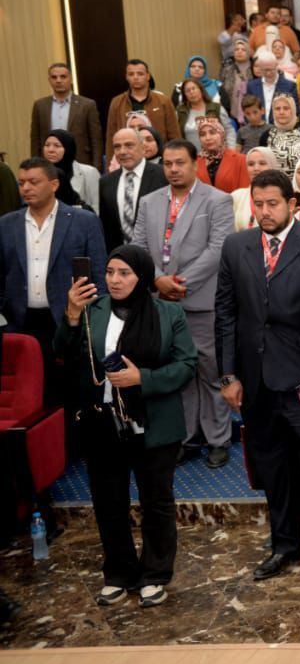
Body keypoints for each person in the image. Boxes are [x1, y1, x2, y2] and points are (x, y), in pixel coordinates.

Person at [215, 169, 300, 581]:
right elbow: (225, 313)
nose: (265, 211)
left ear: (291, 204)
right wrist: (227, 375)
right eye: (258, 204)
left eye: (273, 203)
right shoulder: (236, 246)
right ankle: (285, 546)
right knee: (272, 469)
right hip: (255, 382)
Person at [56, 245, 197, 608]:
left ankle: (155, 574)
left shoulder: (169, 313)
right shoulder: (92, 310)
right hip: (103, 422)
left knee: (157, 501)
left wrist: (142, 378)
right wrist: (71, 315)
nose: (114, 280)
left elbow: (187, 366)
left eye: (124, 273)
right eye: (110, 273)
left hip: (155, 423)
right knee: (108, 502)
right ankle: (119, 573)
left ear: (142, 277)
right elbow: (64, 354)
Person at [133, 139, 235, 468]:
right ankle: (189, 437)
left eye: (180, 163)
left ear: (195, 164)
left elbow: (218, 249)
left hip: (202, 300)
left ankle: (218, 439)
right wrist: (156, 280)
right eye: (168, 163)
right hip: (161, 302)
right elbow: (138, 246)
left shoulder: (217, 200)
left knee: (211, 372)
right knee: (180, 375)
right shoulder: (149, 201)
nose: (173, 169)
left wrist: (179, 283)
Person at [0, 157, 108, 407]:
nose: (26, 188)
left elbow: (99, 275)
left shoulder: (84, 221)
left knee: (68, 395)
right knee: (29, 396)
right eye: (21, 183)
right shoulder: (6, 224)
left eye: (34, 182)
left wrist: (96, 324)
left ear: (54, 184)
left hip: (68, 322)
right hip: (20, 323)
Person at [100, 128, 166, 252]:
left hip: (157, 255)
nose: (122, 151)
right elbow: (106, 227)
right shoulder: (106, 182)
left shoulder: (163, 176)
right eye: (117, 147)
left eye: (129, 145)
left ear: (142, 147)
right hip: (119, 256)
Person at [31, 62, 103, 168]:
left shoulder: (87, 105)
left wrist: (97, 168)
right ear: (49, 80)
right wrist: (35, 166)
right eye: (54, 77)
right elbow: (35, 139)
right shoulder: (40, 106)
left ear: (71, 79)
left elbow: (96, 140)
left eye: (63, 77)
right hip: (49, 165)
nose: (58, 80)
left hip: (80, 162)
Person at [106, 60, 180, 143]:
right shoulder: (117, 102)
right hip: (128, 150)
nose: (135, 77)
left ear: (148, 76)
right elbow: (111, 135)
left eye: (140, 74)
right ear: (126, 77)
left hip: (159, 150)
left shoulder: (164, 101)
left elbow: (174, 133)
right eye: (131, 74)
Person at [260, 95, 300, 175]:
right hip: (273, 182)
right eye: (277, 109)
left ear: (293, 110)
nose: (281, 112)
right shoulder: (266, 136)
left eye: (286, 108)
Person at [43, 130, 100, 212]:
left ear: (68, 148)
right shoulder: (39, 174)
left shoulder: (89, 172)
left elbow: (97, 207)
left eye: (57, 146)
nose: (50, 150)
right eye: (47, 145)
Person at [194, 118, 249, 195]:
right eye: (202, 134)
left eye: (212, 133)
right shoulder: (194, 162)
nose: (207, 138)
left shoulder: (240, 159)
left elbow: (245, 193)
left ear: (221, 134)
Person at [230, 147, 279, 231]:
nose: (256, 168)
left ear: (272, 165)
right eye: (251, 164)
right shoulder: (236, 196)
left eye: (262, 163)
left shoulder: (283, 196)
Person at [244, 53, 299, 126]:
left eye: (271, 69)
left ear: (277, 66)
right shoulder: (252, 86)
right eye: (265, 70)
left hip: (281, 128)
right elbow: (248, 108)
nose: (268, 73)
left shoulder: (290, 86)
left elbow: (295, 110)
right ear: (260, 68)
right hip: (258, 128)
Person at [221, 40, 255, 126]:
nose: (239, 52)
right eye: (237, 49)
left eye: (243, 50)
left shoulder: (254, 69)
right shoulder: (227, 70)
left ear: (248, 52)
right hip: (232, 112)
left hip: (251, 111)